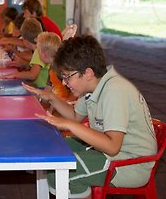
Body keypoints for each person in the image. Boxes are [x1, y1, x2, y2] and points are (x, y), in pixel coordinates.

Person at [22, 35, 157, 199]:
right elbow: (74, 117)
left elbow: (112, 146)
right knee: (53, 150)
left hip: (130, 164)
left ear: (88, 73)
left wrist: (69, 126)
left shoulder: (114, 92)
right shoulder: (92, 88)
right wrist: (50, 97)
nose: (64, 83)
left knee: (64, 171)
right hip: (111, 152)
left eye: (67, 76)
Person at [5, 22, 62, 90]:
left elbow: (33, 75)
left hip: (40, 87)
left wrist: (15, 74)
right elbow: (38, 69)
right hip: (43, 88)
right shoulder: (54, 65)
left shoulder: (37, 52)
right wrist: (24, 65)